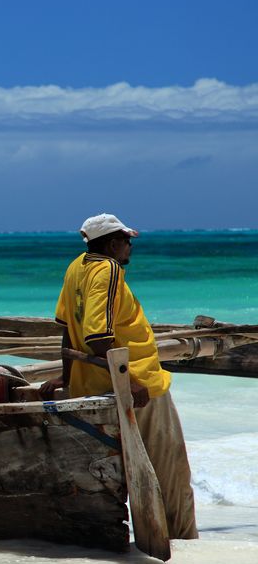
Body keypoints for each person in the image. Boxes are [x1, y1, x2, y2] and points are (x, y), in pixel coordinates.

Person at [39, 213, 198, 539]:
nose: (130, 247)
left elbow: (69, 331)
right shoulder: (108, 270)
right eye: (127, 241)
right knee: (171, 474)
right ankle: (182, 542)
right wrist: (131, 383)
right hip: (139, 388)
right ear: (112, 243)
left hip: (94, 386)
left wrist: (67, 379)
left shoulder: (75, 268)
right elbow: (97, 337)